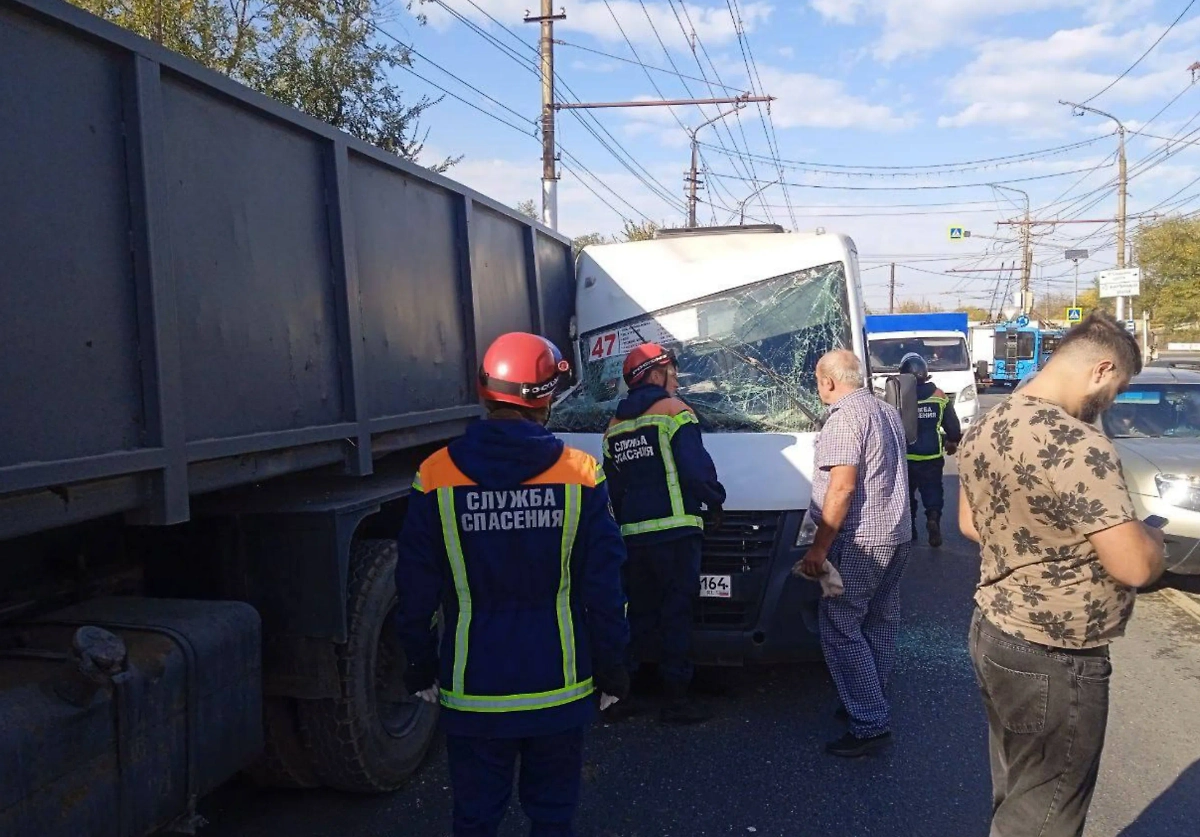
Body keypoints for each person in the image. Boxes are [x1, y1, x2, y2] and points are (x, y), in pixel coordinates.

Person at [394, 332, 630, 837]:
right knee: (552, 817)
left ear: (485, 391)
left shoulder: (435, 475)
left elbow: (414, 589)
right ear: (546, 397)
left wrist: (419, 665)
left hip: (474, 689)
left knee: (476, 818)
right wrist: (613, 670)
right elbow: (605, 591)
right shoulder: (581, 474)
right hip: (559, 686)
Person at [957, 311, 1166, 837]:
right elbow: (1134, 566)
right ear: (1101, 370)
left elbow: (969, 523)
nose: (1111, 401)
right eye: (1118, 388)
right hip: (1057, 653)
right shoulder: (1078, 444)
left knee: (1017, 790)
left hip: (995, 633)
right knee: (1044, 815)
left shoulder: (988, 424)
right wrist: (1153, 542)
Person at [794, 349, 911, 757]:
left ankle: (869, 723)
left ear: (827, 381)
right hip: (896, 535)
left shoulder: (844, 419)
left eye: (817, 381)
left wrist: (819, 548)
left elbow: (842, 488)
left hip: (861, 541)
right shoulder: (886, 412)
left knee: (841, 627)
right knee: (879, 622)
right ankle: (868, 700)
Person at [603, 342, 726, 725]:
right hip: (675, 533)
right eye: (671, 371)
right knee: (676, 613)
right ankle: (676, 701)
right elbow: (695, 470)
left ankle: (622, 696)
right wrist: (714, 501)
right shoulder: (675, 412)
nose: (675, 379)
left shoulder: (615, 425)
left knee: (636, 614)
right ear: (655, 374)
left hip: (632, 536)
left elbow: (613, 487)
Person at [898, 352, 962, 548]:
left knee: (907, 495)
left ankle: (910, 530)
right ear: (926, 374)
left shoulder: (898, 396)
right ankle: (933, 518)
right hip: (931, 456)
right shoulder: (939, 396)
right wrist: (952, 441)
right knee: (933, 491)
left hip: (906, 457)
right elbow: (953, 428)